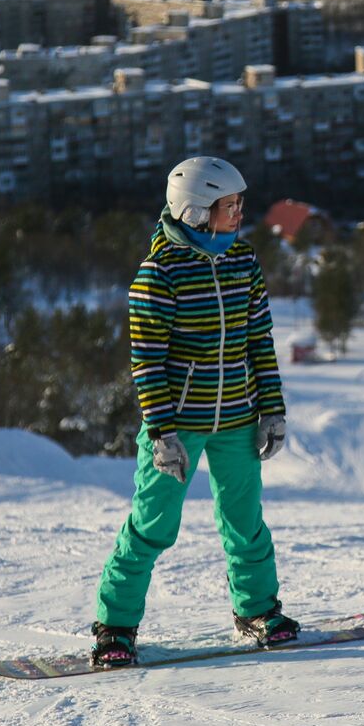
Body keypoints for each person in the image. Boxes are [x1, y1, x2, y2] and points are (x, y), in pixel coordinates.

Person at [89, 157, 298, 668]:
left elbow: (259, 342)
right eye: (230, 206)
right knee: (152, 525)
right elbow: (147, 362)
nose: (239, 213)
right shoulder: (158, 274)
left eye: (239, 204)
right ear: (197, 211)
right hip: (179, 426)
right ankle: (114, 627)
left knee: (244, 522)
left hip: (237, 419)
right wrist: (161, 432)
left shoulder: (243, 262)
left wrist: (271, 409)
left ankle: (257, 611)